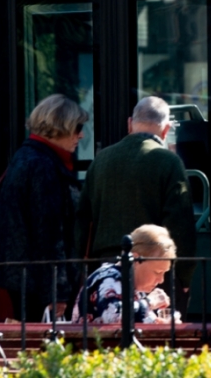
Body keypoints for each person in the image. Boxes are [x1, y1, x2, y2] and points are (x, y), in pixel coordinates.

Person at [76, 96, 196, 309]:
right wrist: (184, 277)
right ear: (166, 129)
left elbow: (83, 222)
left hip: (105, 269)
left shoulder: (100, 160)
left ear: (130, 123)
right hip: (155, 272)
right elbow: (180, 225)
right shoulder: (169, 161)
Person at [0, 94, 89, 322]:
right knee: (47, 349)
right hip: (39, 285)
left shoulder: (28, 156)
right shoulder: (43, 166)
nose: (81, 134)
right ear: (59, 127)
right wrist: (57, 293)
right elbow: (49, 236)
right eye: (77, 128)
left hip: (28, 279)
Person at [70, 224, 178, 324]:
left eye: (164, 273)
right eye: (157, 272)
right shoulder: (109, 280)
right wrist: (150, 302)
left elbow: (139, 321)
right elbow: (117, 318)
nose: (161, 280)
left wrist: (162, 323)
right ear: (135, 260)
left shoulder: (133, 285)